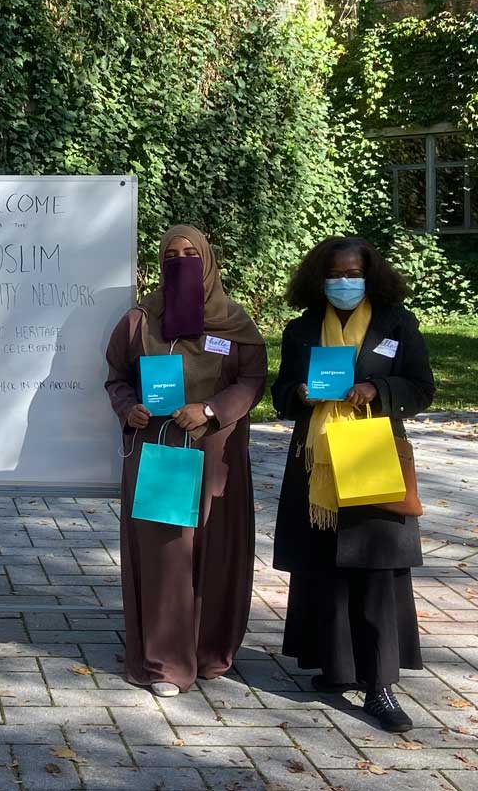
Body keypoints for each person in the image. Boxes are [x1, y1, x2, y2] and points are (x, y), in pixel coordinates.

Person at [272, 236, 434, 732]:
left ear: (370, 275)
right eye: (334, 274)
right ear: (319, 279)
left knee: (375, 566)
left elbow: (422, 387)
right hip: (315, 460)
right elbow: (280, 394)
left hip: (371, 454)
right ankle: (335, 666)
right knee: (325, 564)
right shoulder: (301, 330)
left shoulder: (396, 323)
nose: (344, 282)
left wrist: (376, 389)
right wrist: (298, 392)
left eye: (353, 273)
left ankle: (379, 685)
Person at [104, 225, 267, 697]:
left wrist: (212, 410)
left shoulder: (233, 321)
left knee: (217, 551)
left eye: (190, 253)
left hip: (216, 453)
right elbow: (116, 377)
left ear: (208, 259)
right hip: (159, 453)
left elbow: (253, 379)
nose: (181, 261)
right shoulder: (140, 320)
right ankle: (165, 664)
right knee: (165, 557)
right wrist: (126, 407)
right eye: (171, 254)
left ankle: (210, 651)